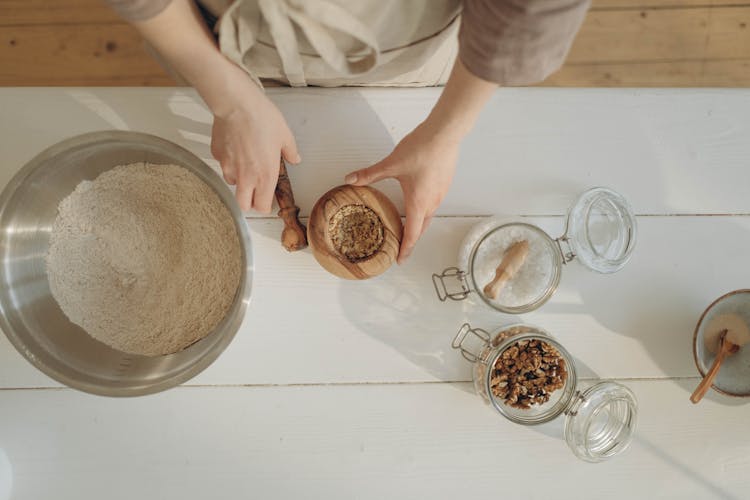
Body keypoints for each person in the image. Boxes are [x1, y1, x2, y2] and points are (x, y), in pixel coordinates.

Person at [106, 0, 589, 263]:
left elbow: (532, 13)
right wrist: (229, 99)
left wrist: (444, 135)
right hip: (218, 48)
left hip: (403, 60)